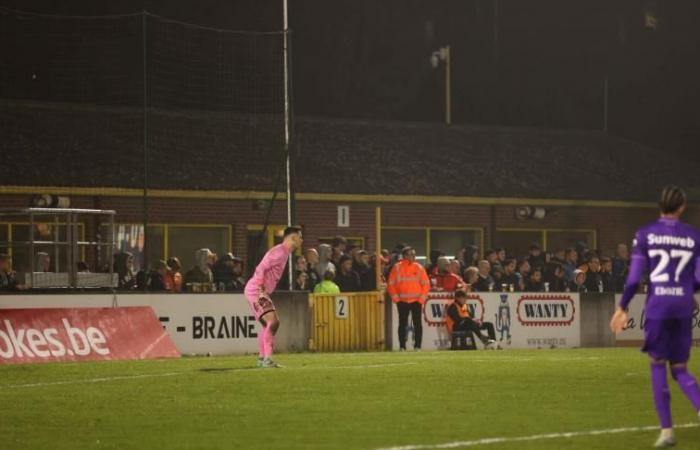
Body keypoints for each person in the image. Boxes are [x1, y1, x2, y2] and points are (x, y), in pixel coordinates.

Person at [610, 186, 700, 448]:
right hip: (683, 306)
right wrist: (685, 290)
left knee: (658, 364)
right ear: (682, 207)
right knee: (680, 368)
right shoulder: (694, 236)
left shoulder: (645, 234)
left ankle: (667, 431)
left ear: (659, 205)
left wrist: (622, 306)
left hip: (659, 305)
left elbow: (634, 278)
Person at [244, 226, 303, 368]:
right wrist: (261, 287)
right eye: (300, 237)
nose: (302, 240)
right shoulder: (280, 252)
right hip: (256, 290)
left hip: (255, 290)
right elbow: (261, 268)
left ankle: (262, 359)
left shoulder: (284, 253)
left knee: (267, 324)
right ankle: (267, 360)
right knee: (274, 322)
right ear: (293, 238)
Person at [387, 246, 430, 351]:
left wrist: (421, 299)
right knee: (402, 324)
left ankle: (418, 346)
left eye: (414, 254)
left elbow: (426, 284)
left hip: (416, 301)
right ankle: (402, 346)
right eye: (411, 254)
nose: (413, 256)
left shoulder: (419, 267)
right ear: (405, 256)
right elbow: (390, 285)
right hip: (402, 301)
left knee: (417, 324)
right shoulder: (397, 267)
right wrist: (396, 299)